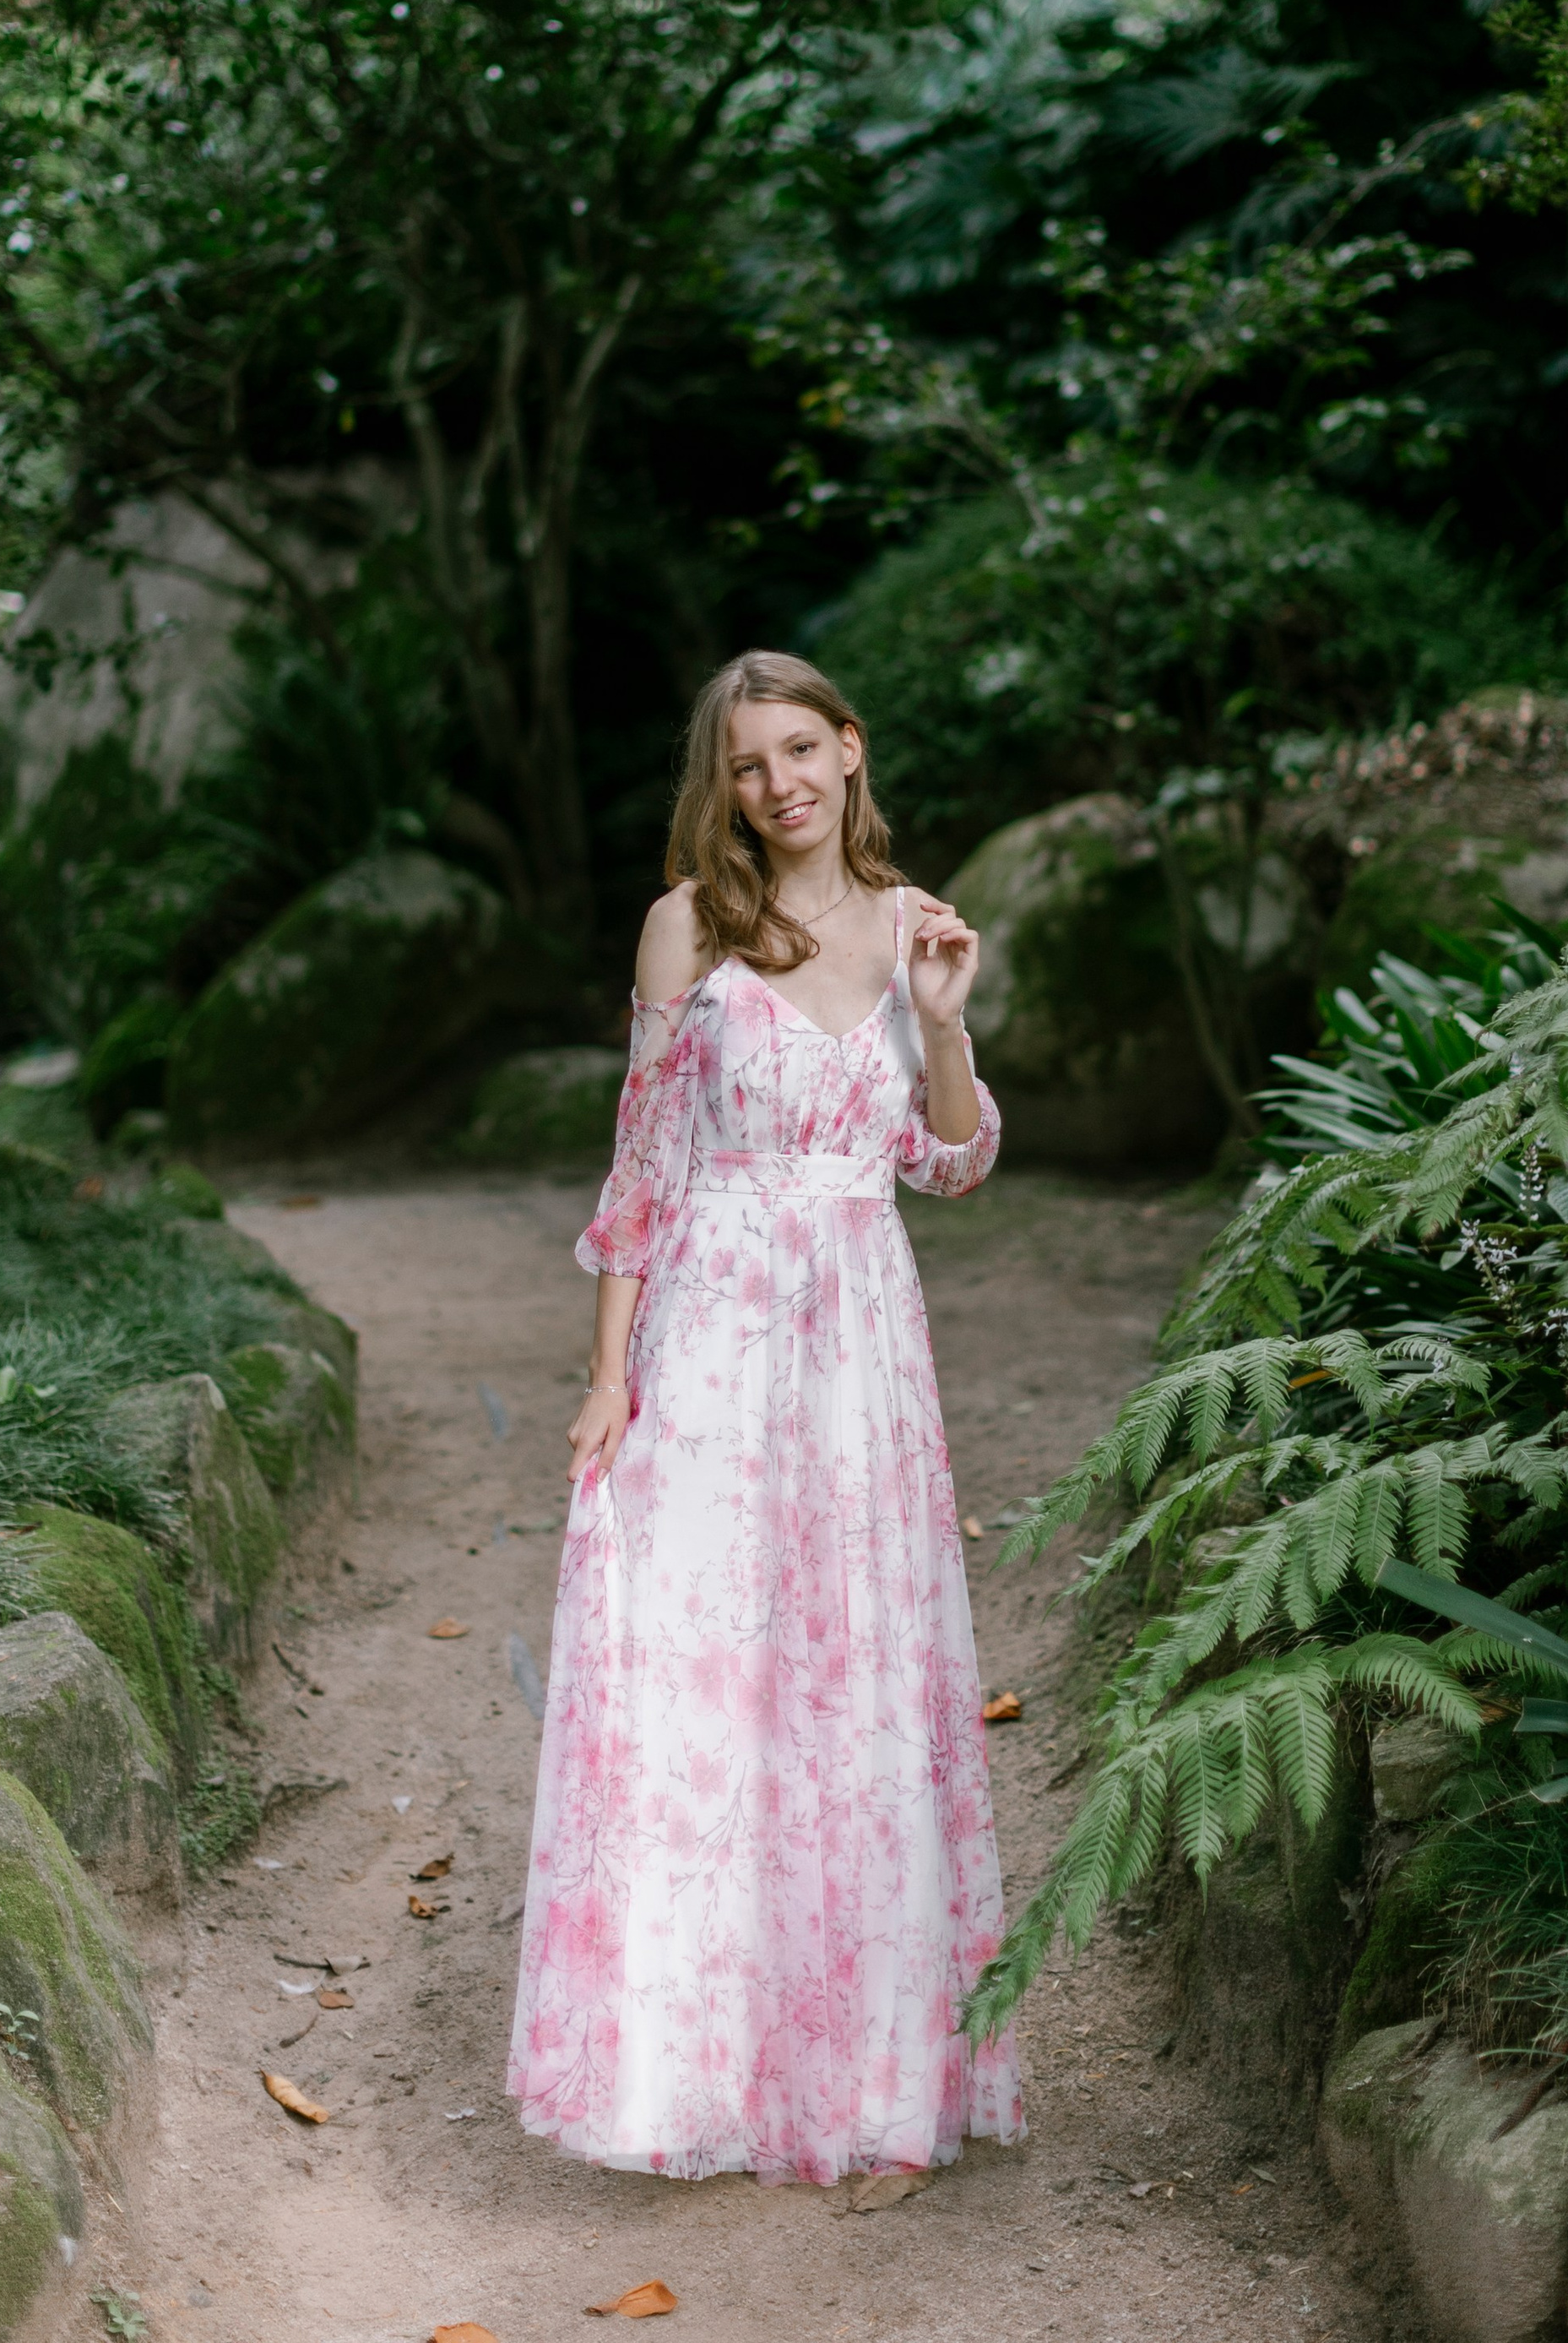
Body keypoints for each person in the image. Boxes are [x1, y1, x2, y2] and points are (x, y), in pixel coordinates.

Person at [505, 648, 1025, 2194]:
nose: (778, 782)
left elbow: (952, 1168)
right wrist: (611, 1378)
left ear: (851, 751)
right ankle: (687, 2071)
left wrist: (943, 1022)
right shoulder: (690, 930)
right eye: (746, 763)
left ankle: (865, 2083)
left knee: (854, 1682)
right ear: (719, 784)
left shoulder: (915, 923)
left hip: (861, 1339)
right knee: (699, 1682)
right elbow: (642, 1174)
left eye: (801, 749)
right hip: (716, 1328)